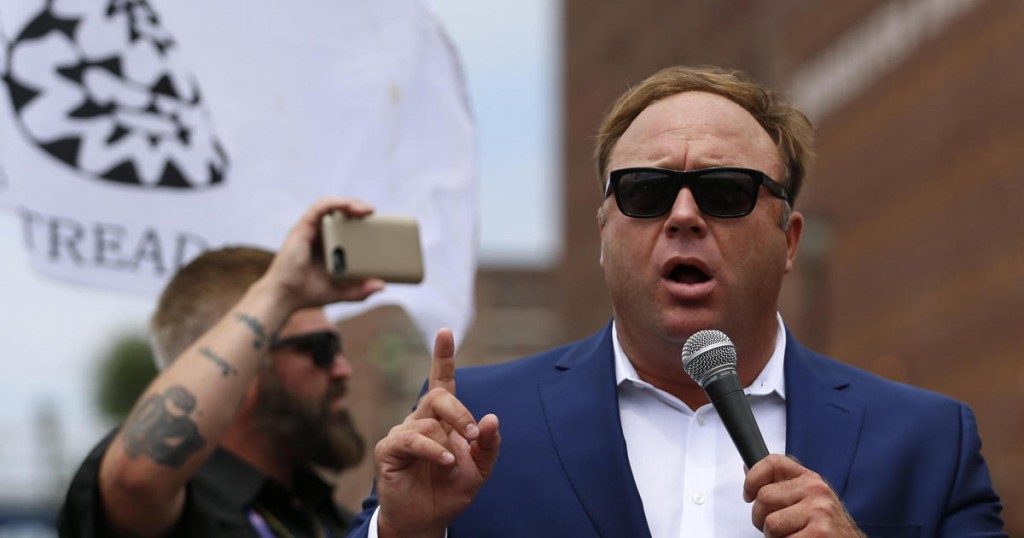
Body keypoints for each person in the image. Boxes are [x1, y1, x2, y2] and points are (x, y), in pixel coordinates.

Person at [350, 66, 1006, 537]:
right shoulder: (471, 425)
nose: (684, 215)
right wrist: (403, 532)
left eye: (725, 191)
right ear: (605, 233)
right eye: (644, 192)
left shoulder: (928, 441)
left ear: (788, 239)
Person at [58, 198, 386, 537]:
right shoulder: (185, 508)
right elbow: (136, 480)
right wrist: (280, 291)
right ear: (242, 368)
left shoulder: (339, 521)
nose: (341, 369)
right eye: (321, 349)